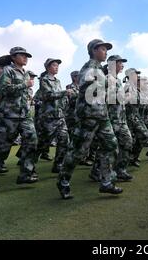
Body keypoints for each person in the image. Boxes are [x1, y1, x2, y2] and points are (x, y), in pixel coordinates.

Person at [57, 39, 123, 199]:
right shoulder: (88, 68)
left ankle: (107, 181)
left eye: (106, 50)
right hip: (88, 115)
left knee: (112, 146)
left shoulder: (99, 69)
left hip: (102, 115)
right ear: (94, 50)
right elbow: (86, 89)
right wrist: (105, 84)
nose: (105, 52)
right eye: (102, 49)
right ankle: (63, 180)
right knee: (79, 152)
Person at [0, 47, 38, 190]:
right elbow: (5, 90)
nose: (25, 58)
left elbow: (24, 93)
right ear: (14, 57)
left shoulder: (26, 73)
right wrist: (24, 85)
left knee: (32, 141)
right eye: (22, 55)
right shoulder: (7, 70)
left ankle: (25, 174)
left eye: (27, 56)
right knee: (3, 148)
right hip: (9, 115)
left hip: (24, 115)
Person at [36, 59, 70, 174]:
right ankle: (28, 168)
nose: (57, 67)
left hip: (59, 116)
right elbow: (48, 95)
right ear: (48, 67)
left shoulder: (58, 81)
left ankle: (58, 165)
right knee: (43, 143)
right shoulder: (44, 80)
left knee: (64, 141)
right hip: (48, 117)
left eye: (57, 65)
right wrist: (65, 92)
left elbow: (60, 97)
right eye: (54, 65)